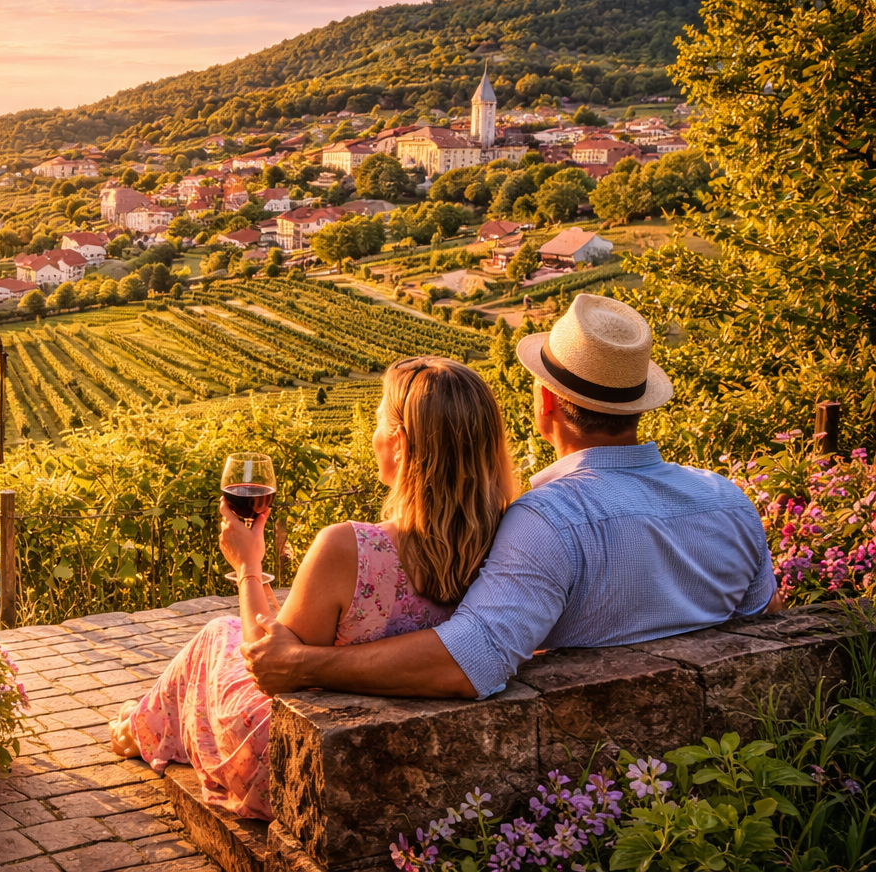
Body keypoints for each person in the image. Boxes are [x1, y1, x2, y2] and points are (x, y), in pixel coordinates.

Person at [242, 293, 781, 701]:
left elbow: (468, 663)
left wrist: (302, 664)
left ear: (545, 402)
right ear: (638, 406)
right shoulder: (727, 499)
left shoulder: (549, 519)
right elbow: (767, 618)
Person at [106, 358, 517, 819]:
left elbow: (268, 667)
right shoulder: (515, 539)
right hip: (417, 759)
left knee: (218, 635)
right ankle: (140, 725)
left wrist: (248, 565)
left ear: (400, 443)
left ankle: (138, 731)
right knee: (224, 634)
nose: (374, 436)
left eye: (379, 421)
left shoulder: (353, 548)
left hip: (304, 765)